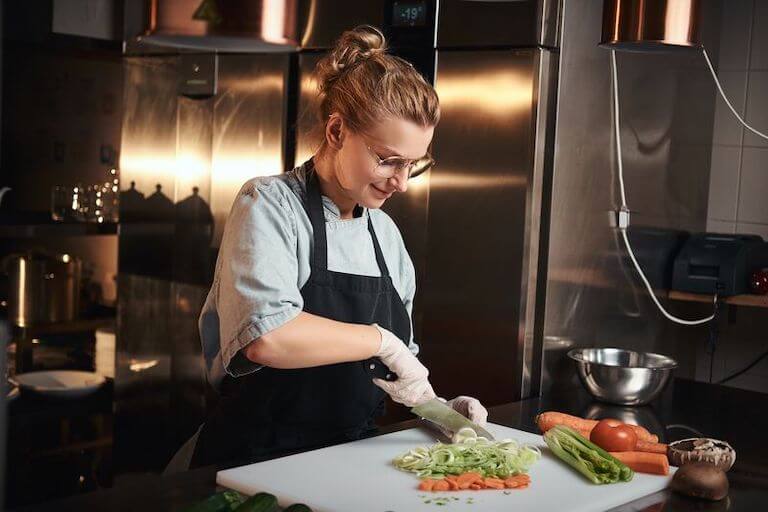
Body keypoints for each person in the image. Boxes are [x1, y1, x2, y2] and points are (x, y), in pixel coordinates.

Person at [190, 25, 488, 469]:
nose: (402, 182)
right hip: (255, 463)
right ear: (335, 131)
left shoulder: (385, 235)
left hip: (350, 462)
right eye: (388, 159)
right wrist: (382, 341)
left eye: (413, 164)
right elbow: (267, 340)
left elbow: (395, 370)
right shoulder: (270, 205)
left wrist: (441, 413)